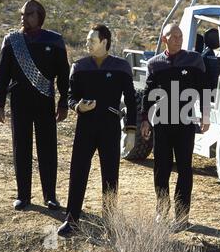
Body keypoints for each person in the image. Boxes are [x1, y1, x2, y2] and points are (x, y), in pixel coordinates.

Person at [57, 24, 137, 236]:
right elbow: (70, 96)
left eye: (91, 40)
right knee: (78, 173)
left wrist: (131, 130)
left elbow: (131, 100)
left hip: (110, 128)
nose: (87, 43)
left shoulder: (121, 67)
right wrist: (77, 106)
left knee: (110, 176)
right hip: (85, 127)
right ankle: (71, 219)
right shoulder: (79, 66)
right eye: (87, 40)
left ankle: (110, 224)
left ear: (104, 42)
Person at [0, 0, 69, 211]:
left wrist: (63, 103)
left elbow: (63, 75)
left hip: (45, 101)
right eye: (22, 14)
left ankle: (50, 196)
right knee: (21, 148)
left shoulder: (54, 41)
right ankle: (23, 195)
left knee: (47, 149)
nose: (23, 18)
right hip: (19, 102)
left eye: (28, 14)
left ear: (39, 17)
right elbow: (2, 75)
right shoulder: (12, 40)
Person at [140, 23, 210, 232]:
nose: (179, 39)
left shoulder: (194, 60)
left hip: (185, 123)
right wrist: (145, 119)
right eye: (174, 36)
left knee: (185, 169)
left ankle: (182, 217)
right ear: (164, 39)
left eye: (181, 36)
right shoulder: (154, 64)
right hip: (162, 124)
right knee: (161, 169)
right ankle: (162, 211)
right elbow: (147, 93)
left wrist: (205, 114)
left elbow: (204, 88)